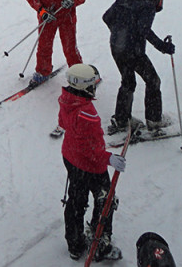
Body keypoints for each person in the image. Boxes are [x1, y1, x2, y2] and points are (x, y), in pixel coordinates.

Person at [58, 62, 125, 262]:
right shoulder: (87, 113)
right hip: (90, 166)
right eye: (93, 85)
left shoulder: (67, 99)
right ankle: (100, 242)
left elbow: (62, 123)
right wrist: (109, 158)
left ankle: (75, 243)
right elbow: (89, 149)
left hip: (70, 158)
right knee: (106, 199)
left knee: (76, 200)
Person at [102, 0, 174, 136]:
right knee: (153, 81)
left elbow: (106, 17)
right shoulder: (148, 5)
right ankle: (154, 121)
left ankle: (122, 120)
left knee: (127, 82)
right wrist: (163, 47)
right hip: (133, 51)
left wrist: (119, 33)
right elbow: (144, 30)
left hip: (116, 47)